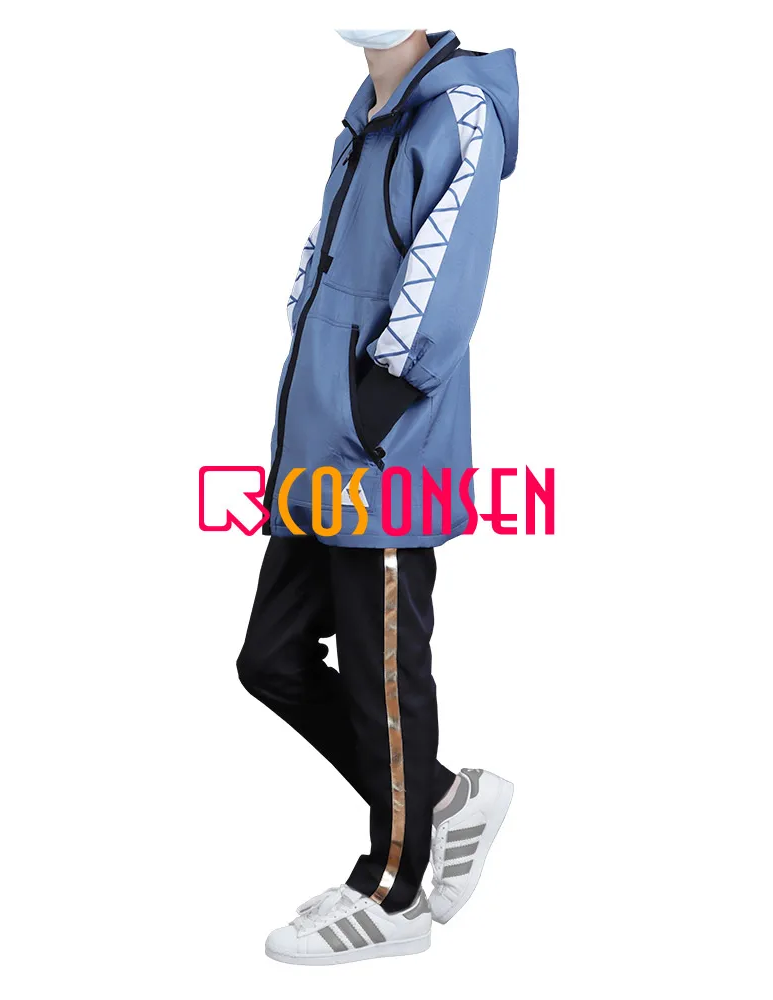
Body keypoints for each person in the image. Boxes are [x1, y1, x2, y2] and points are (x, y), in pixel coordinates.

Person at [237, 29, 519, 965]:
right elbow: (322, 272)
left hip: (383, 455)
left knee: (382, 681)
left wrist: (370, 411)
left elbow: (443, 290)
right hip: (322, 445)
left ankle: (395, 895)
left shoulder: (460, 110)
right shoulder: (364, 119)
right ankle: (444, 799)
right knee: (271, 658)